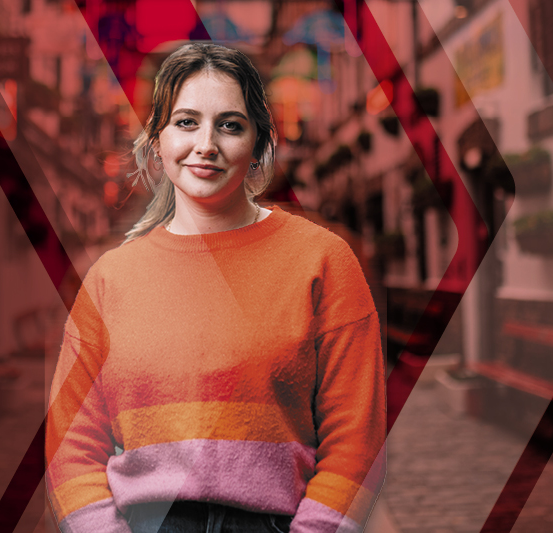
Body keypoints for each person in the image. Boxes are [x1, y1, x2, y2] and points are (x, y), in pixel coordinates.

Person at [45, 43, 386, 533]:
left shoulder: (323, 262)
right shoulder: (109, 280)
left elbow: (357, 438)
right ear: (157, 140)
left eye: (230, 124)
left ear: (258, 144)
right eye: (186, 122)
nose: (206, 143)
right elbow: (70, 445)